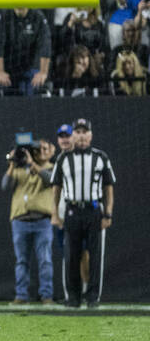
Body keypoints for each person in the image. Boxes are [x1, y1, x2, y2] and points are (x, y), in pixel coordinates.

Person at [51, 118, 115, 308]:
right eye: (77, 132)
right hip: (72, 211)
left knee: (95, 255)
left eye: (84, 132)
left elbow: (108, 187)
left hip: (94, 210)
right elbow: (56, 188)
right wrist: (55, 213)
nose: (80, 136)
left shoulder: (101, 157)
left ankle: (93, 297)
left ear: (90, 135)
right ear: (73, 135)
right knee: (71, 255)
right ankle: (73, 297)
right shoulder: (63, 158)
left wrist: (108, 213)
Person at [1, 135, 56, 305]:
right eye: (37, 150)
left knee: (45, 260)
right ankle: (21, 295)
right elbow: (5, 186)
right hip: (20, 220)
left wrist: (32, 164)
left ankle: (46, 295)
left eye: (43, 149)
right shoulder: (18, 168)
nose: (40, 152)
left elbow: (50, 180)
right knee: (22, 261)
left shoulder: (51, 167)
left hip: (42, 220)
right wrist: (12, 163)